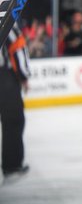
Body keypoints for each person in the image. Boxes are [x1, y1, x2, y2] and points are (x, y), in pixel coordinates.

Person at [0, 21, 29, 183]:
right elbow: (17, 46)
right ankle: (12, 165)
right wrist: (24, 76)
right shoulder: (6, 19)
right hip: (4, 77)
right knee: (13, 120)